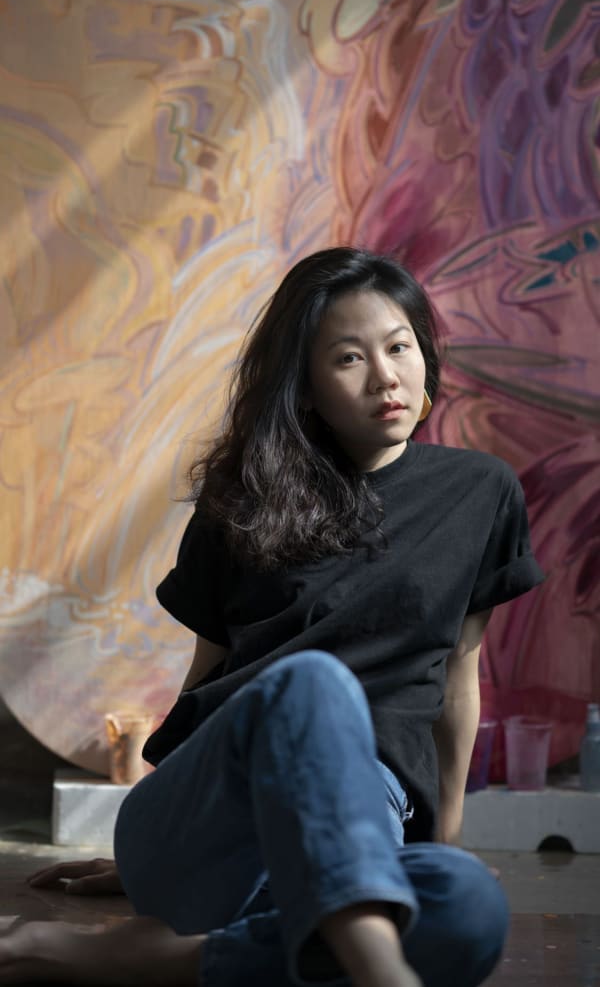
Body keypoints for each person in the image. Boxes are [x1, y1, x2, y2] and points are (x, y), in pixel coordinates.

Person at [5, 247, 544, 987]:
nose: (385, 376)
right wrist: (163, 837)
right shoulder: (246, 498)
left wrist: (443, 843)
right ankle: (378, 966)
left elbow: (458, 681)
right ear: (307, 387)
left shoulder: (482, 492)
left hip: (370, 813)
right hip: (220, 801)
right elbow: (206, 678)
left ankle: (130, 958)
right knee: (313, 684)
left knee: (469, 904)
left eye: (399, 347)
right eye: (349, 358)